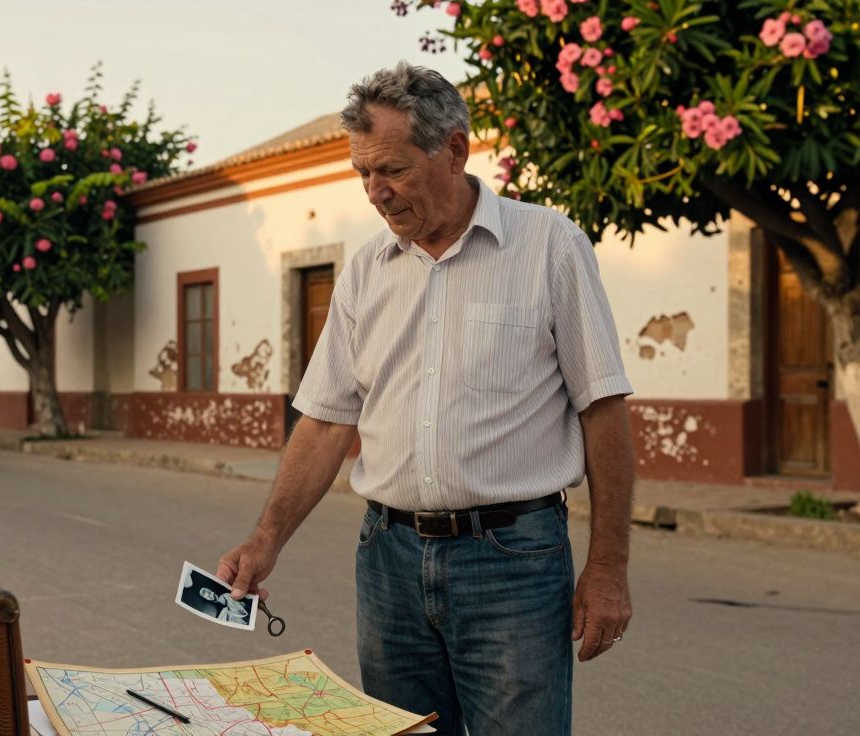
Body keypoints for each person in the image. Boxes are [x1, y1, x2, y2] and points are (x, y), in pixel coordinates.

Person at [216, 63, 636, 736]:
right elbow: (326, 422)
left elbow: (604, 411)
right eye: (362, 175)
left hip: (513, 562)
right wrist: (267, 538)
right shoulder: (364, 273)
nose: (376, 194)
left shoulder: (548, 246)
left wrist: (609, 566)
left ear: (455, 150)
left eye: (393, 170)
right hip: (388, 562)